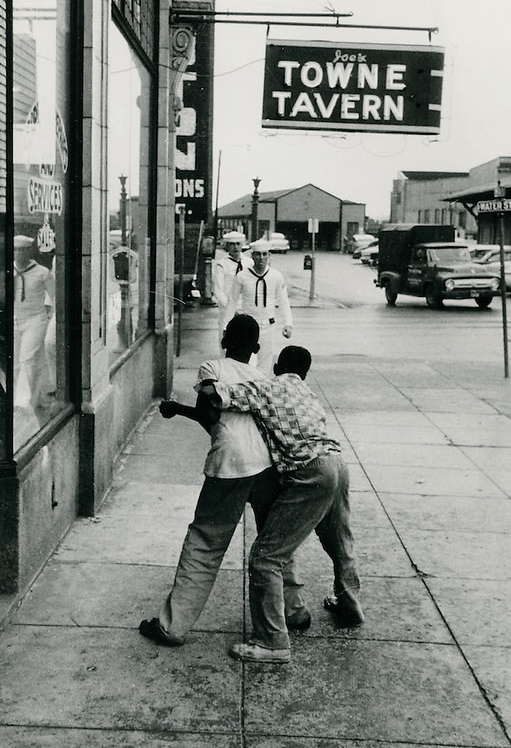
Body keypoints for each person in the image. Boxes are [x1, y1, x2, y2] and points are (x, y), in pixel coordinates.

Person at [138, 315, 309, 647]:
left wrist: (177, 409)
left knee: (205, 541)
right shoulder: (261, 377)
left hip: (230, 463)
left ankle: (172, 627)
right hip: (266, 463)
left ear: (224, 339)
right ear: (257, 348)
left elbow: (211, 414)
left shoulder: (212, 368)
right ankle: (295, 610)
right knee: (275, 542)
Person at [203, 345, 364, 664]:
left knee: (265, 557)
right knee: (339, 542)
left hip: (311, 474)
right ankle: (350, 605)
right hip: (337, 464)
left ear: (276, 366)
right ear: (305, 373)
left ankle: (273, 642)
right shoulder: (309, 394)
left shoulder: (267, 386)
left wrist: (208, 381)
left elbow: (217, 394)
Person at [225, 240, 292, 373]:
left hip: (268, 325)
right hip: (247, 326)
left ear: (269, 255)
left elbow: (284, 301)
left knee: (265, 364)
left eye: (264, 254)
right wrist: (226, 326)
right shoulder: (242, 276)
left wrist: (288, 324)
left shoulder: (276, 276)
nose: (261, 258)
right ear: (252, 256)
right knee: (246, 363)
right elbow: (232, 301)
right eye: (257, 255)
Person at [13, 235, 55, 417]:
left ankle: (22, 401)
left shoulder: (42, 272)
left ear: (29, 251)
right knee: (19, 363)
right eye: (15, 249)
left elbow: (55, 297)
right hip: (15, 321)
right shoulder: (9, 272)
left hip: (35, 321)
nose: (18, 253)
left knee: (27, 359)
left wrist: (51, 317)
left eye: (22, 250)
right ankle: (38, 398)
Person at [212, 230, 252, 354]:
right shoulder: (222, 265)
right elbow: (218, 291)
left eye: (238, 244)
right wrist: (232, 309)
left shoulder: (249, 263)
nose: (235, 247)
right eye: (232, 244)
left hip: (246, 307)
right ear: (227, 246)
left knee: (247, 341)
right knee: (227, 341)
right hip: (227, 308)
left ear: (242, 245)